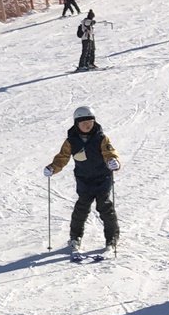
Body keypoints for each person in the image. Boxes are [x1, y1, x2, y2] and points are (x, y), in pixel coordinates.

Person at [44, 106, 121, 253]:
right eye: (84, 122)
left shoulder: (101, 138)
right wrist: (53, 168)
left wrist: (113, 161)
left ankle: (112, 237)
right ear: (77, 124)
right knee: (81, 208)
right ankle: (75, 237)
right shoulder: (71, 141)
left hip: (102, 178)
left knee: (104, 207)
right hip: (84, 179)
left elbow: (109, 152)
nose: (87, 125)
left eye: (90, 122)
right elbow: (63, 157)